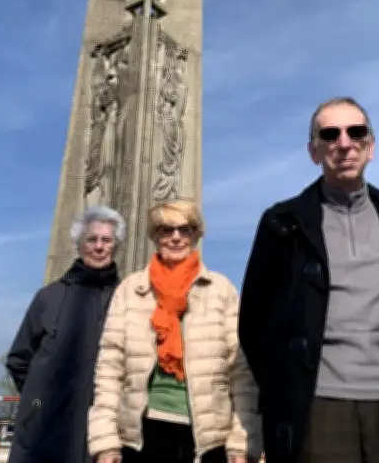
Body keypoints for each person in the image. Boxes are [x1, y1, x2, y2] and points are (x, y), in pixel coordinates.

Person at [238, 97, 379, 463]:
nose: (344, 143)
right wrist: (285, 388)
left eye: (356, 132)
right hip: (319, 407)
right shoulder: (281, 224)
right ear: (314, 151)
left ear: (371, 147)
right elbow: (254, 322)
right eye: (330, 134)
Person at [88, 198, 262, 463]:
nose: (176, 237)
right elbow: (109, 369)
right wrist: (105, 442)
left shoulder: (221, 290)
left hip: (209, 436)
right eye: (166, 230)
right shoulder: (130, 290)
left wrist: (241, 441)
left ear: (196, 234)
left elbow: (241, 371)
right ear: (155, 236)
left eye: (186, 229)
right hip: (143, 433)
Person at [6, 205, 125, 463]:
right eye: (91, 239)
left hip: (102, 431)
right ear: (79, 245)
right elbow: (19, 358)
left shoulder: (127, 299)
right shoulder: (49, 297)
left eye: (107, 240)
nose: (99, 246)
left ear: (116, 246)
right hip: (46, 430)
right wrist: (39, 400)